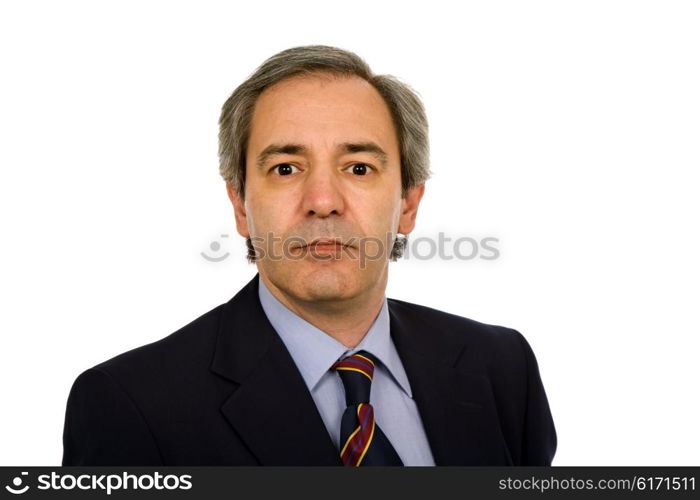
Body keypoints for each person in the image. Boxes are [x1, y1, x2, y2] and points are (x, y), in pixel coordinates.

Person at [62, 45, 557, 466]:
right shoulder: (128, 405)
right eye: (285, 168)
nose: (323, 201)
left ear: (408, 203)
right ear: (240, 204)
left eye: (359, 168)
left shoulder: (501, 367)